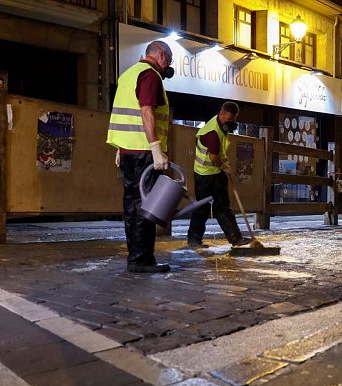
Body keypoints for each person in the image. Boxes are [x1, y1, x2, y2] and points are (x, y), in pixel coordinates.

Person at [107, 40, 175, 273]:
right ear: (162, 55)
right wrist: (156, 148)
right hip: (143, 153)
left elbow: (128, 114)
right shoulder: (150, 75)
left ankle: (136, 256)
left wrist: (120, 148)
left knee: (132, 205)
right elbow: (146, 111)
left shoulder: (128, 75)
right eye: (170, 60)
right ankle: (141, 259)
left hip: (128, 151)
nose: (169, 66)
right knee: (145, 205)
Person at [186, 102, 251, 249]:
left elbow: (221, 152)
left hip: (216, 173)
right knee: (202, 208)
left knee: (223, 207)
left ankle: (236, 238)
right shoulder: (212, 133)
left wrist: (225, 168)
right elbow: (214, 158)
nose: (229, 123)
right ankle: (193, 239)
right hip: (205, 175)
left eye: (232, 120)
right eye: (227, 119)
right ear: (221, 114)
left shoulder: (222, 127)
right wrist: (224, 168)